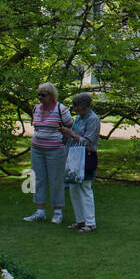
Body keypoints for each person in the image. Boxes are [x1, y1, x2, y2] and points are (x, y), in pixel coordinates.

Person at [25, 83, 74, 224]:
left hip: (55, 149)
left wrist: (61, 133)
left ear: (51, 96)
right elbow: (36, 127)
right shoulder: (36, 108)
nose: (40, 98)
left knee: (56, 180)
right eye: (38, 95)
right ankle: (40, 211)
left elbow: (69, 124)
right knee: (38, 179)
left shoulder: (61, 109)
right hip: (37, 148)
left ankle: (57, 212)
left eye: (43, 95)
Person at [64, 92, 100, 232]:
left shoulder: (93, 119)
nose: (77, 111)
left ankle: (90, 222)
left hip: (87, 155)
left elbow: (89, 141)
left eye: (79, 108)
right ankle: (80, 220)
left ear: (86, 106)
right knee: (74, 188)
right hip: (74, 155)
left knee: (85, 187)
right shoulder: (79, 118)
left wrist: (71, 134)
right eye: (76, 108)